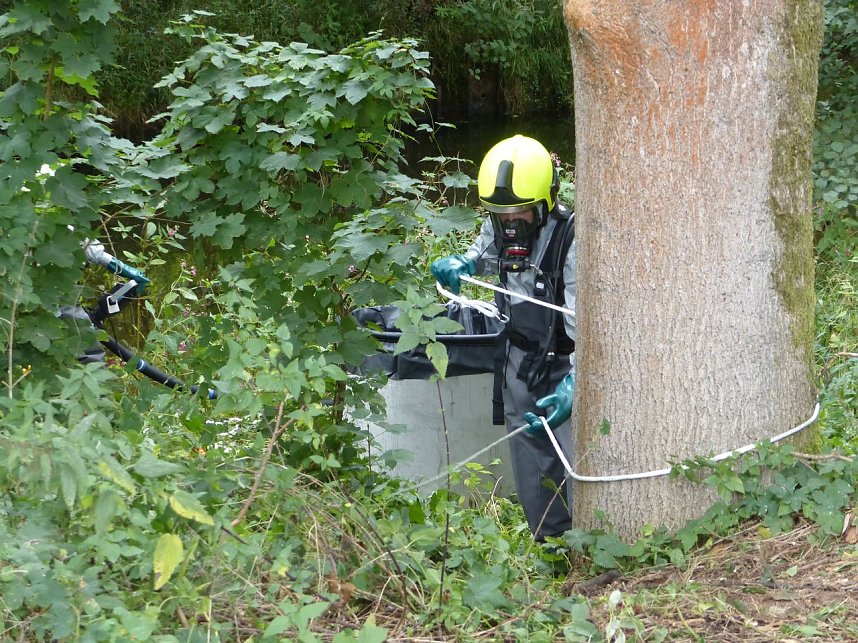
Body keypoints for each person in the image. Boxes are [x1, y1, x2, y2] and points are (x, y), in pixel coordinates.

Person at [431, 135, 576, 541]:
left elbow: (583, 322)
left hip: (563, 364)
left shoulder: (571, 241)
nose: (511, 224)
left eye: (521, 214)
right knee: (531, 461)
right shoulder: (499, 226)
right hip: (519, 361)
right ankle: (549, 545)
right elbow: (485, 251)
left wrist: (576, 384)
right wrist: (464, 262)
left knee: (575, 462)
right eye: (501, 215)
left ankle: (587, 542)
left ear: (546, 203)